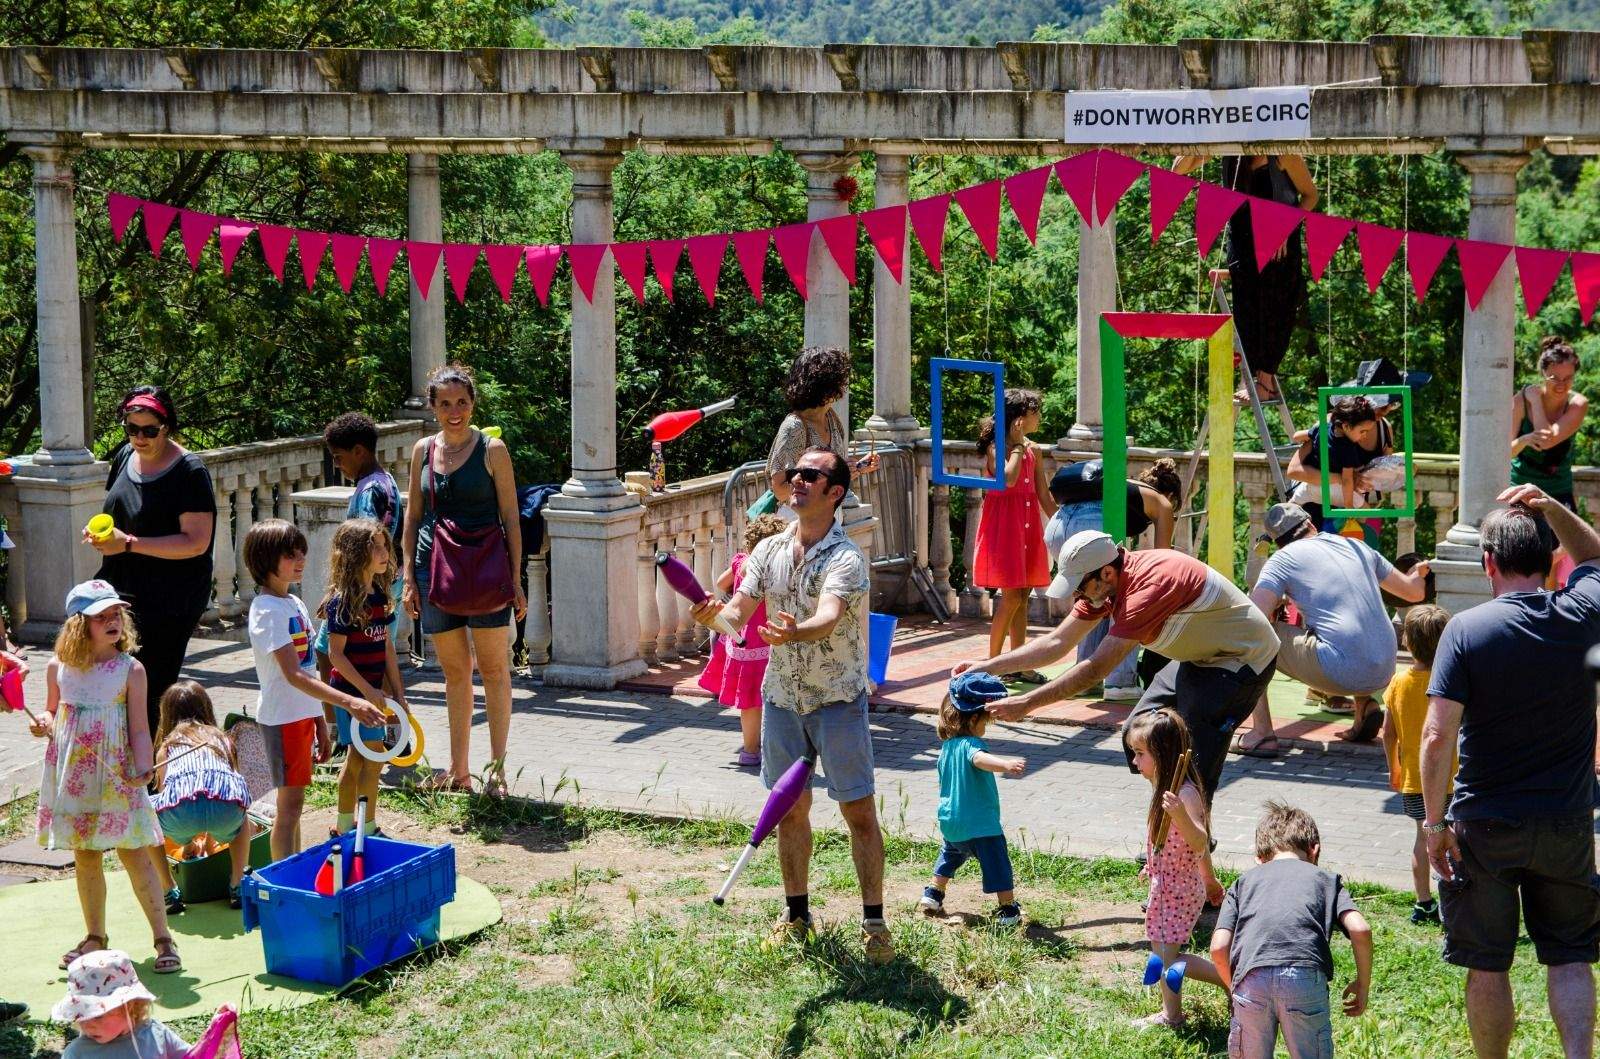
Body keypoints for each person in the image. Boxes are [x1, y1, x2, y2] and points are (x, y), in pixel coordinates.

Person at [689, 447, 892, 964]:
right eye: (793, 472)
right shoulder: (769, 551)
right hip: (780, 699)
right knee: (790, 812)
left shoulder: (846, 556)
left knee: (858, 812)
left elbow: (828, 615)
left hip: (837, 700)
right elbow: (737, 616)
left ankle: (874, 924)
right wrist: (711, 615)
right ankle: (796, 914)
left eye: (809, 474)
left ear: (835, 492)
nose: (794, 480)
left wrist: (794, 630)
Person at [1422, 484, 1600, 1059]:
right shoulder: (1584, 613)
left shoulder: (1466, 630)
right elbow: (1596, 558)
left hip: (1485, 824)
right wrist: (1550, 506)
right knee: (1571, 954)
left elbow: (1436, 734)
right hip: (1568, 822)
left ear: (1487, 564)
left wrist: (1432, 824)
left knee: (1487, 963)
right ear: (1552, 562)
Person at [958, 531, 1278, 806]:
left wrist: (1028, 704)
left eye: (1081, 587)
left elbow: (1095, 668)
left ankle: (1186, 851)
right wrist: (987, 666)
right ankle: (1167, 836)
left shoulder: (1148, 586)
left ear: (1107, 574)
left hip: (1243, 661)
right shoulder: (1103, 587)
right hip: (1201, 657)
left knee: (1190, 760)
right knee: (1138, 731)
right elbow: (1056, 643)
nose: (1078, 595)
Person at [31, 580, 178, 974]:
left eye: (116, 614)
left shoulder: (130, 669)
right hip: (75, 774)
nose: (113, 621)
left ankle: (163, 936)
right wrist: (43, 722)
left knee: (133, 853)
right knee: (86, 855)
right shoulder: (58, 667)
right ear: (80, 625)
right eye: (102, 616)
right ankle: (95, 935)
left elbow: (140, 729)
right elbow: (50, 711)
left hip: (117, 775)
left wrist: (143, 767)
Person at [402, 364, 525, 796]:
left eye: (462, 402)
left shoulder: (493, 450)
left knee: (494, 671)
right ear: (433, 407)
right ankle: (459, 771)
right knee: (455, 673)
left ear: (473, 404)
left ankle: (498, 772)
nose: (455, 411)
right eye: (446, 403)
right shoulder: (422, 450)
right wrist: (407, 579)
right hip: (434, 570)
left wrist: (517, 579)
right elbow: (413, 516)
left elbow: (511, 517)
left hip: (487, 571)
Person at [1234, 502, 1430, 754]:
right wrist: (1417, 573)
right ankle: (1364, 707)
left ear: (1277, 542)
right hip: (1384, 669)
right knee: (1343, 623)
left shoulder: (1282, 559)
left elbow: (1252, 620)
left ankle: (1262, 733)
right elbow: (1413, 592)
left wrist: (1281, 598)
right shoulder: (1356, 545)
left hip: (1340, 670)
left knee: (1252, 639)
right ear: (1311, 524)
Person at [244, 519, 381, 861]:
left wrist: (320, 720)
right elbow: (292, 674)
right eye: (291, 555)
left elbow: (307, 668)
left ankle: (293, 867)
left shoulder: (294, 603)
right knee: (288, 808)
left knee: (295, 806)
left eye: (301, 552)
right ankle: (284, 877)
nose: (301, 559)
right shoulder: (266, 611)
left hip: (301, 718)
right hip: (283, 719)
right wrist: (349, 702)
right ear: (265, 560)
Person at [84, 386, 216, 734]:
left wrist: (127, 543)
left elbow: (196, 542)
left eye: (149, 430)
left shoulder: (189, 471)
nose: (139, 437)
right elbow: (120, 512)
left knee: (151, 690)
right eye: (132, 429)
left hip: (170, 599)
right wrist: (103, 535)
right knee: (111, 682)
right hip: (120, 592)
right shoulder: (124, 457)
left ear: (167, 427)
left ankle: (153, 774)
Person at [1211, 801, 1373, 1059]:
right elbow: (1360, 929)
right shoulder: (1326, 880)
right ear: (1314, 851)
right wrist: (1363, 985)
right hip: (1304, 978)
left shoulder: (1243, 882)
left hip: (1251, 980)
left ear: (1259, 859)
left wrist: (1235, 987)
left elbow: (1219, 947)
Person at [1174, 155, 1318, 402]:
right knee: (1245, 311)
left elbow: (1310, 196)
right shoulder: (1230, 150)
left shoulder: (1283, 153)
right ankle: (1249, 376)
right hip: (1241, 239)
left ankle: (1266, 380)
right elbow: (1178, 169)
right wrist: (1207, 135)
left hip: (1278, 241)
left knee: (1275, 310)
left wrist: (1285, 226)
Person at [1045, 457, 1184, 701]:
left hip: (1057, 527)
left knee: (1095, 596)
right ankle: (1120, 682)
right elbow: (1163, 562)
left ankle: (1086, 679)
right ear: (1171, 493)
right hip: (1089, 523)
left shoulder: (1127, 489)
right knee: (1127, 594)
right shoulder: (1162, 503)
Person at [1126, 709, 1224, 1030]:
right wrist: (1152, 867)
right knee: (1162, 953)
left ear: (1164, 754)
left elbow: (1199, 841)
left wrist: (1182, 816)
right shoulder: (1163, 786)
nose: (1135, 762)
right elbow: (1167, 844)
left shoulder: (1184, 795)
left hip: (1180, 890)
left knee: (1169, 959)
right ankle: (1174, 1012)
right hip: (1165, 885)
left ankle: (1229, 981)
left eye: (1140, 754)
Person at [320, 518, 407, 838]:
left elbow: (385, 647)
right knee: (369, 761)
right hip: (351, 696)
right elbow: (337, 656)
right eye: (377, 547)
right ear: (356, 554)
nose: (386, 553)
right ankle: (360, 827)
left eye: (385, 545)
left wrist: (398, 693)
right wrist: (366, 692)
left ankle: (350, 826)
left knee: (362, 760)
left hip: (371, 695)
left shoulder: (380, 596)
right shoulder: (342, 601)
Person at [918, 672, 1027, 926]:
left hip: (951, 821)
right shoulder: (971, 744)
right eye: (985, 723)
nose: (985, 729)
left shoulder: (946, 747)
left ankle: (933, 893)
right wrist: (1005, 764)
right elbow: (979, 759)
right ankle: (1008, 908)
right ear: (975, 718)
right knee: (997, 862)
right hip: (980, 823)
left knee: (950, 855)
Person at [315, 412, 404, 693]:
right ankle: (392, 728)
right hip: (386, 581)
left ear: (358, 451)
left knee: (325, 649)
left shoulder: (367, 490)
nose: (338, 465)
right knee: (378, 655)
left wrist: (339, 590)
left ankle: (339, 729)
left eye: (339, 457)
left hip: (364, 587)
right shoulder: (386, 479)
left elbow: (364, 540)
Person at [150, 681, 255, 911]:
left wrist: (186, 842)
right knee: (241, 813)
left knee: (147, 817)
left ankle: (168, 889)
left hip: (180, 816)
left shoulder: (167, 747)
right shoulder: (222, 740)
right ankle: (238, 883)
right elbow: (224, 790)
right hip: (225, 813)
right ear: (207, 708)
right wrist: (209, 841)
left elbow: (169, 797)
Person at [971, 388, 1054, 672]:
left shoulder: (1036, 451)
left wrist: (1062, 522)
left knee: (1023, 597)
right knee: (1011, 598)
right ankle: (993, 664)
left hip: (1028, 528)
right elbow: (1008, 478)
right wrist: (1018, 446)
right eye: (1035, 413)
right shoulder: (998, 447)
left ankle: (1019, 662)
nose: (1040, 417)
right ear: (1019, 419)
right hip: (1005, 529)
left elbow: (1043, 494)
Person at [1379, 604, 1452, 926]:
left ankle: (1423, 902)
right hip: (1452, 778)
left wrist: (1393, 768)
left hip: (1413, 778)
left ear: (1407, 641)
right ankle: (1455, 895)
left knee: (1421, 839)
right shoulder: (1452, 680)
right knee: (1454, 837)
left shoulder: (1398, 682)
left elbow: (1387, 733)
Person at [697, 514, 787, 768]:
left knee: (749, 703)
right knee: (773, 699)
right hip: (767, 642)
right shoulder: (776, 571)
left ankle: (749, 751)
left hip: (742, 642)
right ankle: (776, 749)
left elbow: (720, 583)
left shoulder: (741, 562)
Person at [765, 345, 877, 509]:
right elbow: (780, 491)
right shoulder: (795, 427)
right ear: (827, 385)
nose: (844, 386)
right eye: (840, 380)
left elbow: (826, 476)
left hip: (826, 517)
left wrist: (856, 468)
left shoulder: (831, 417)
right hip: (799, 522)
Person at [1287, 396, 1393, 547]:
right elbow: (1347, 480)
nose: (1364, 436)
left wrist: (1306, 438)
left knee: (1292, 506)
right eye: (1362, 431)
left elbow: (1297, 436)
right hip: (1333, 490)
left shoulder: (1321, 428)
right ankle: (1364, 543)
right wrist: (1349, 508)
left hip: (1309, 488)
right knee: (1368, 513)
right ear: (1347, 426)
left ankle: (1269, 533)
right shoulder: (1348, 448)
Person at [52, 949, 189, 1058]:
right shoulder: (78, 1053)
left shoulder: (154, 1033)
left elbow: (191, 1055)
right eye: (81, 1016)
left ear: (129, 1007)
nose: (87, 1025)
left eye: (98, 1015)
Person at [1510, 336, 1586, 511]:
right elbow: (1505, 453)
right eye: (1554, 378)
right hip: (1519, 491)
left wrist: (1535, 402)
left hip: (1558, 493)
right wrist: (1524, 440)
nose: (1561, 384)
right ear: (1543, 373)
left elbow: (1545, 441)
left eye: (1568, 378)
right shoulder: (1520, 401)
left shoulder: (1577, 404)